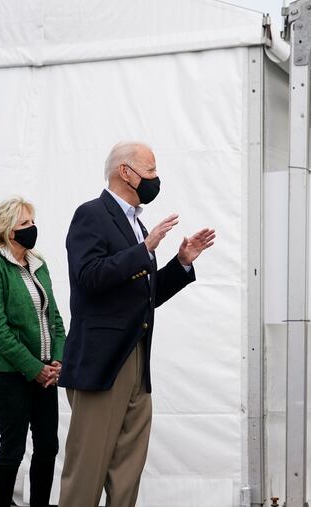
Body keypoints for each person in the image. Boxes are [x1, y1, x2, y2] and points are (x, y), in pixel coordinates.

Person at [58, 142, 215, 506]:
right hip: (102, 364)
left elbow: (144, 296)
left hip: (136, 360)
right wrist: (143, 249)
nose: (156, 179)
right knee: (88, 468)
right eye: (150, 171)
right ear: (125, 172)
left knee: (128, 469)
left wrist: (181, 263)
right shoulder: (91, 214)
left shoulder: (137, 224)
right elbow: (88, 276)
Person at [0, 197, 65, 507]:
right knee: (12, 446)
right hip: (9, 373)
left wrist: (57, 360)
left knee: (48, 446)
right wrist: (33, 368)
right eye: (24, 223)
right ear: (7, 230)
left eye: (32, 221)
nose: (32, 228)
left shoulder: (38, 264)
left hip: (45, 372)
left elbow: (54, 318)